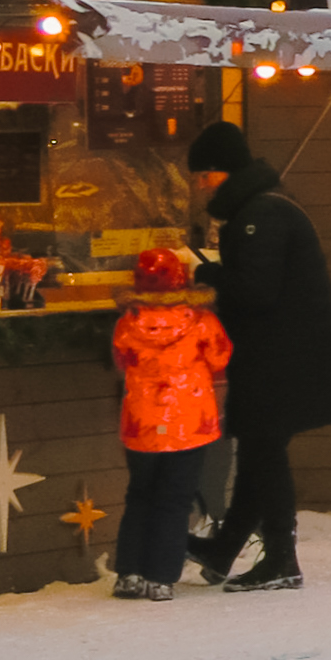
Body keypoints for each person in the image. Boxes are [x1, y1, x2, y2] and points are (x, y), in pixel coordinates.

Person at [183, 118, 331, 591]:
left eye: (203, 176)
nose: (199, 187)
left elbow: (256, 292)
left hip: (282, 358)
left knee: (264, 453)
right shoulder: (260, 209)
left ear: (223, 171)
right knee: (261, 452)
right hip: (283, 355)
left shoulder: (261, 215)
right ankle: (226, 547)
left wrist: (207, 275)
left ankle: (282, 558)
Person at [109, 247, 227, 601]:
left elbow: (121, 362)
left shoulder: (128, 322)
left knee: (140, 495)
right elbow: (221, 356)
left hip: (141, 423)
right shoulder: (202, 321)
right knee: (175, 500)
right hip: (190, 423)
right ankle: (161, 576)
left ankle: (129, 573)